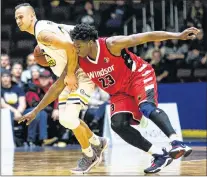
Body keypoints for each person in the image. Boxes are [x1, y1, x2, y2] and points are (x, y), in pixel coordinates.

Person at [69, 23, 200, 173]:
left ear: (91, 42)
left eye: (79, 46)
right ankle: (159, 155)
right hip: (119, 92)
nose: (76, 49)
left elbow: (147, 36)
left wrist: (177, 35)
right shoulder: (78, 59)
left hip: (137, 76)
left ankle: (177, 143)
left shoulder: (112, 44)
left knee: (146, 107)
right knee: (117, 124)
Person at [15, 3, 108, 174]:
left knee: (71, 118)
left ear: (32, 16)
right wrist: (35, 111)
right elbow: (74, 31)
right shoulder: (46, 26)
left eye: (21, 16)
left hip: (80, 73)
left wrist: (71, 73)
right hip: (68, 75)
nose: (18, 21)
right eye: (16, 18)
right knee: (66, 120)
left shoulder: (42, 34)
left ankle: (90, 154)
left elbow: (71, 47)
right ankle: (97, 142)